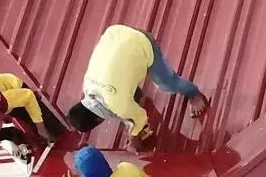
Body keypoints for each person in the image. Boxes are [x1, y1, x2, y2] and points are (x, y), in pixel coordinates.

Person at [63, 25, 209, 148]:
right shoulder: (87, 86)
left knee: (167, 84)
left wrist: (134, 138)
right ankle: (135, 96)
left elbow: (141, 117)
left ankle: (194, 94)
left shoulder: (118, 106)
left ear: (99, 120)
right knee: (120, 90)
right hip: (117, 33)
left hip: (142, 43)